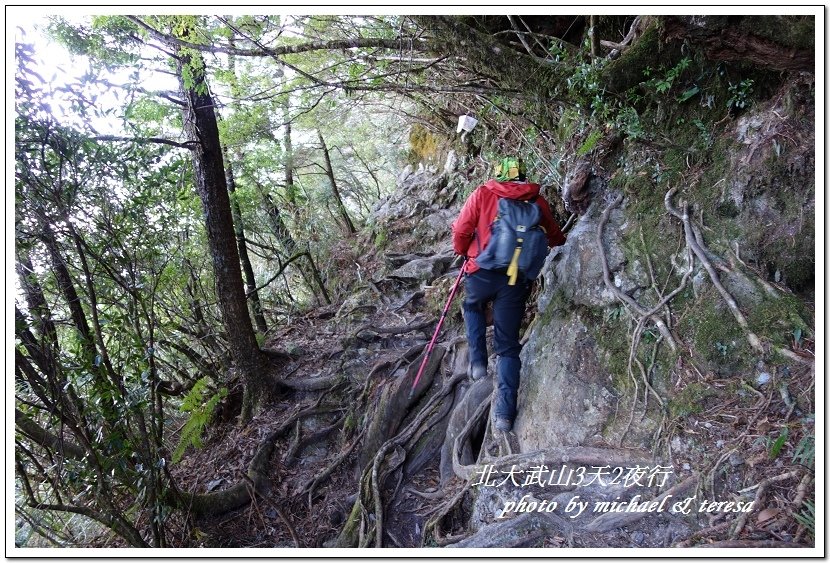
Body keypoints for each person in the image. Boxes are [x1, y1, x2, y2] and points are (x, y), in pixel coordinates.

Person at [451, 156, 566, 432]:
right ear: (521, 175)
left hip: (481, 270)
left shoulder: (483, 193)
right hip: (516, 280)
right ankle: (504, 414)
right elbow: (554, 236)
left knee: (472, 307)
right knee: (508, 347)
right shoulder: (536, 201)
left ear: (499, 174)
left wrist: (462, 250)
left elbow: (462, 230)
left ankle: (477, 362)